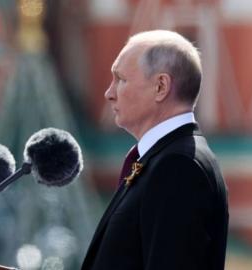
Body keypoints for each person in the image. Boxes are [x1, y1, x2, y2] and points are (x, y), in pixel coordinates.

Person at [82, 30, 229, 270]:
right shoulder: (163, 159)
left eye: (120, 79)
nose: (109, 93)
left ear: (161, 86)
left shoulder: (179, 167)